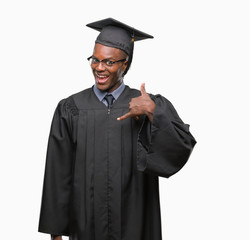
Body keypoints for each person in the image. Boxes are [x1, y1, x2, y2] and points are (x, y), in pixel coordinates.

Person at [38, 18, 196, 240]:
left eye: (109, 62)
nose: (99, 68)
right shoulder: (71, 108)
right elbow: (58, 173)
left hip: (136, 223)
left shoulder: (148, 104)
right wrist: (56, 233)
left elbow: (181, 147)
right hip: (85, 225)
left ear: (125, 64)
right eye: (95, 59)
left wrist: (153, 112)